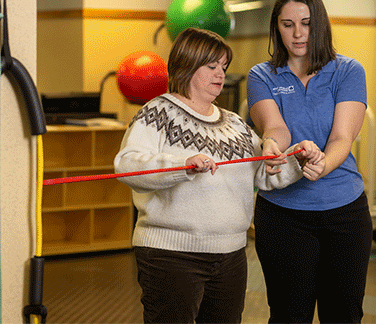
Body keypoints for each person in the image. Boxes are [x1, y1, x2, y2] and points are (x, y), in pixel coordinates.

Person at [114, 27, 323, 324]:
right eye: (211, 66)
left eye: (223, 67)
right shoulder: (157, 112)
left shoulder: (234, 123)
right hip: (171, 254)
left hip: (231, 255)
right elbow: (128, 165)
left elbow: (264, 174)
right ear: (187, 65)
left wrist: (298, 161)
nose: (220, 74)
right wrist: (182, 165)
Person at [246, 0, 372, 324]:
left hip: (345, 213)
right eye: (288, 25)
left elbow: (343, 137)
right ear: (277, 28)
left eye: (306, 23)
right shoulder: (262, 75)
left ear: (320, 24)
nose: (298, 34)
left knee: (343, 315)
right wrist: (271, 144)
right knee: (289, 316)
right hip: (283, 214)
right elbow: (275, 127)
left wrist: (322, 164)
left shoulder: (348, 71)